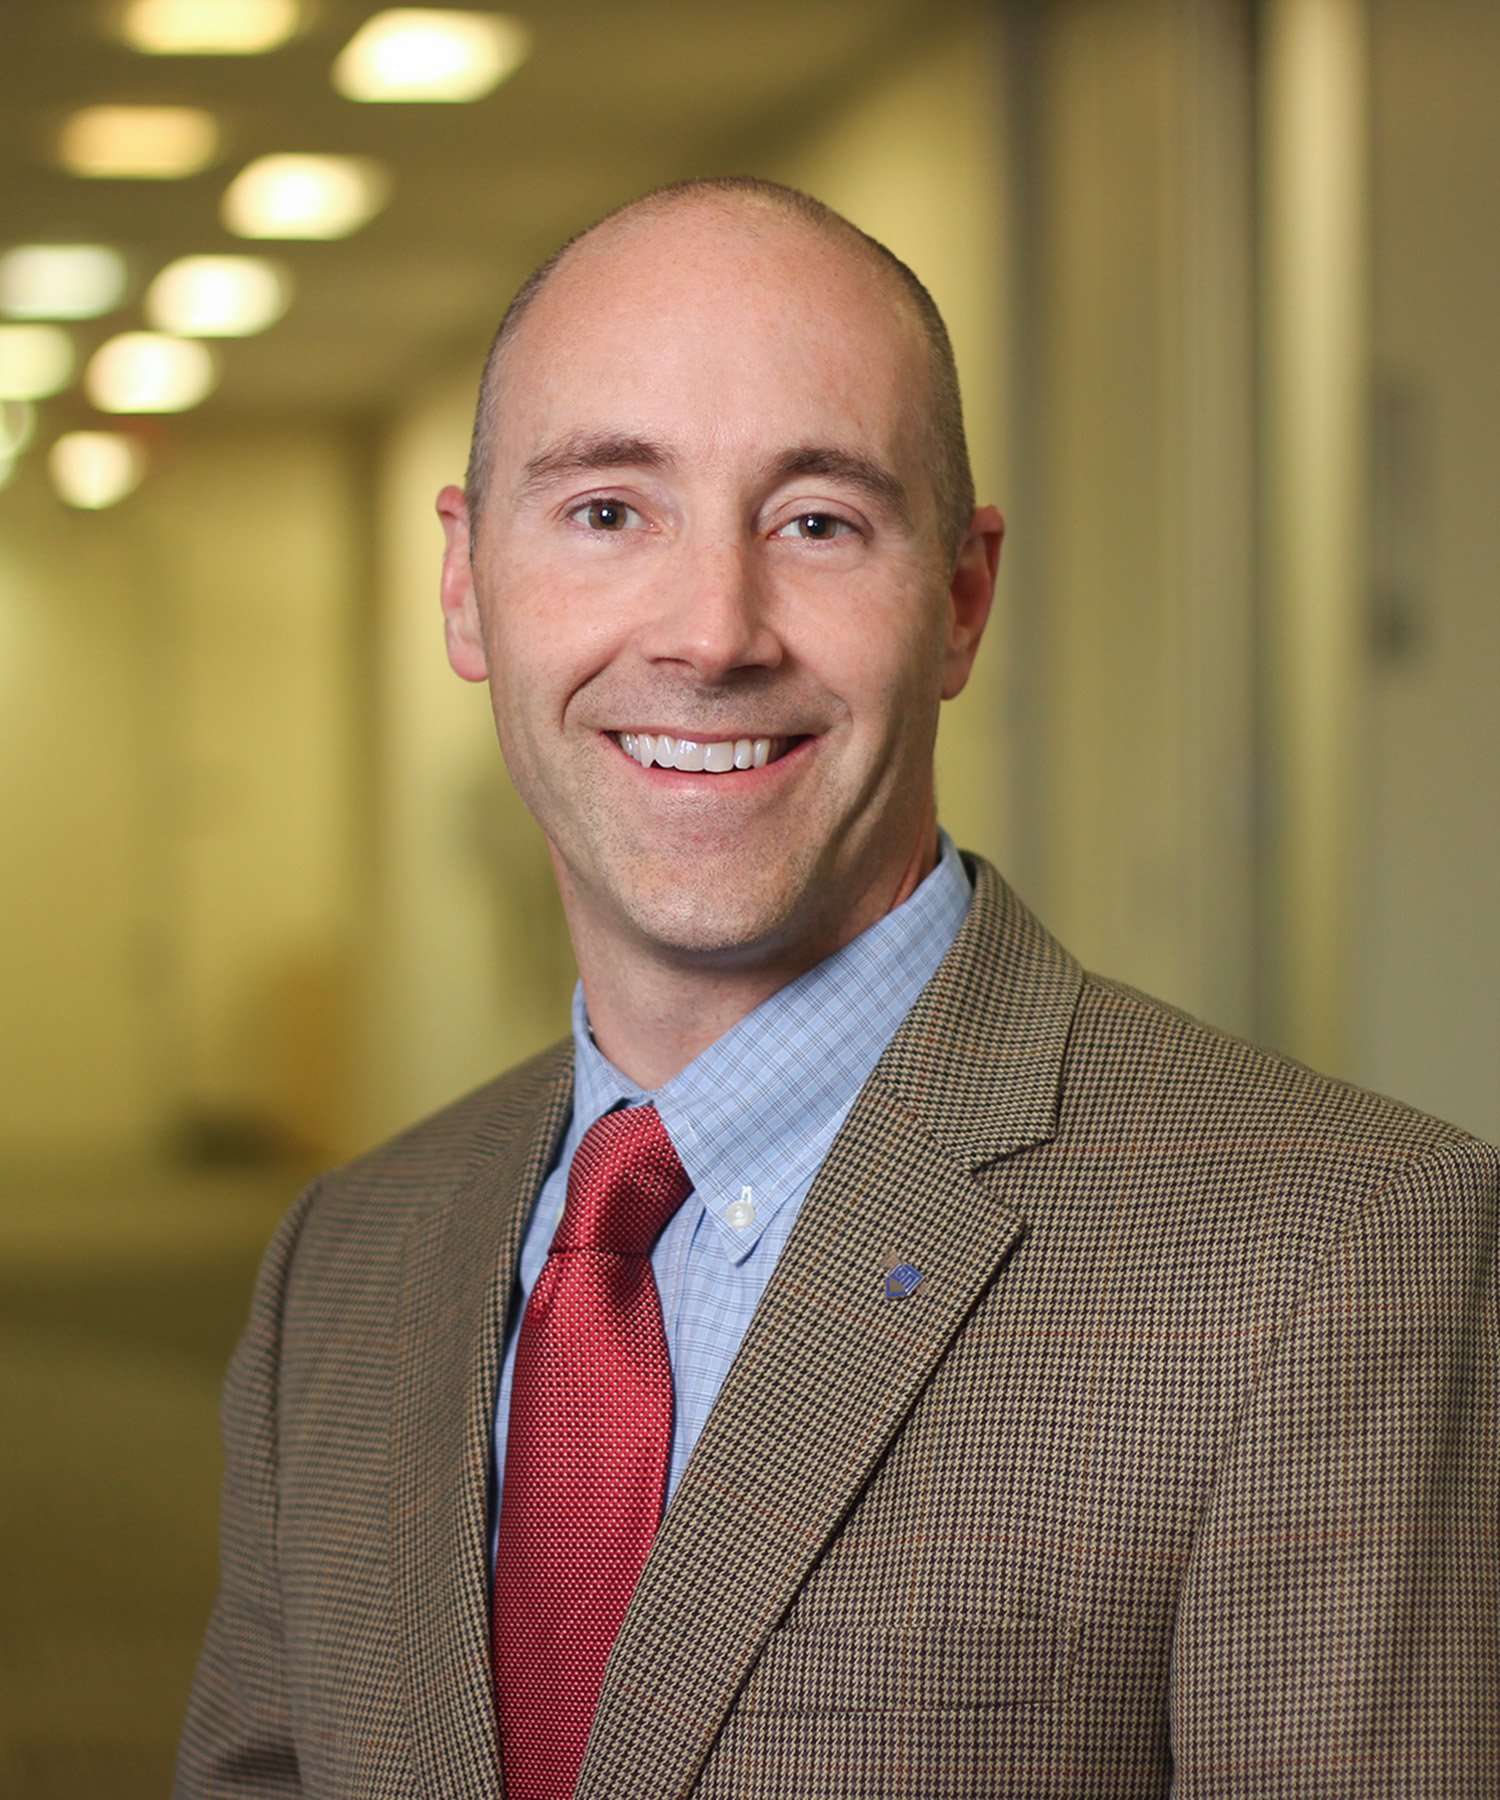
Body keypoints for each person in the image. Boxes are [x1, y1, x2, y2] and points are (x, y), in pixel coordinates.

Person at [176, 178, 1498, 1799]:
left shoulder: (1341, 1252)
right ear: (467, 584)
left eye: (818, 521)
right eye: (607, 510)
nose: (713, 632)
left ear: (959, 597)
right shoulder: (347, 1261)